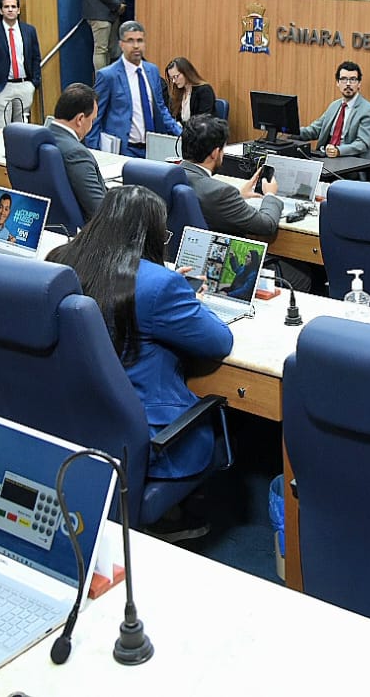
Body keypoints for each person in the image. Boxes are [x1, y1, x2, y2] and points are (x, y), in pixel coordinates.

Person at [48, 185, 232, 527]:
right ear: (151, 236)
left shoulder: (60, 260)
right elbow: (219, 341)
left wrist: (169, 286)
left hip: (69, 416)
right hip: (145, 437)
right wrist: (191, 299)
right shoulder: (160, 285)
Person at [179, 115, 281, 240]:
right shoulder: (220, 192)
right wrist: (270, 194)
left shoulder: (166, 176)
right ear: (215, 153)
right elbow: (266, 225)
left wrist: (238, 197)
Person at [89, 21, 181, 155]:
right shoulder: (108, 75)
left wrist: (181, 134)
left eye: (140, 40)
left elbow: (161, 109)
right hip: (123, 150)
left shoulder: (152, 71)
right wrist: (95, 154)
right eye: (130, 41)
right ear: (121, 44)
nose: (136, 46)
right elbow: (95, 116)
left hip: (152, 148)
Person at [44, 83, 106, 225]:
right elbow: (98, 210)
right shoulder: (77, 153)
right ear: (80, 119)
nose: (91, 126)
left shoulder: (42, 139)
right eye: (92, 120)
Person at [0, 0, 41, 127]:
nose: (10, 10)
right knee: (2, 128)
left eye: (13, 7)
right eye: (6, 7)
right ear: (1, 11)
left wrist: (34, 82)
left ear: (18, 10)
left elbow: (36, 57)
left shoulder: (29, 31)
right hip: (2, 87)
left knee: (22, 129)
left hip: (24, 85)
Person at [296, 60, 370, 160]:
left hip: (349, 159)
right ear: (338, 83)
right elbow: (315, 130)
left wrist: (339, 150)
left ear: (359, 83)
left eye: (352, 80)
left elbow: (362, 144)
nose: (348, 84)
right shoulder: (334, 106)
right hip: (325, 156)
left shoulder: (368, 110)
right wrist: (292, 132)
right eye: (343, 79)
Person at [164, 57, 216, 123]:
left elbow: (202, 121)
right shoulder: (178, 92)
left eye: (176, 76)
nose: (174, 81)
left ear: (186, 72)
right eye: (171, 78)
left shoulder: (204, 90)